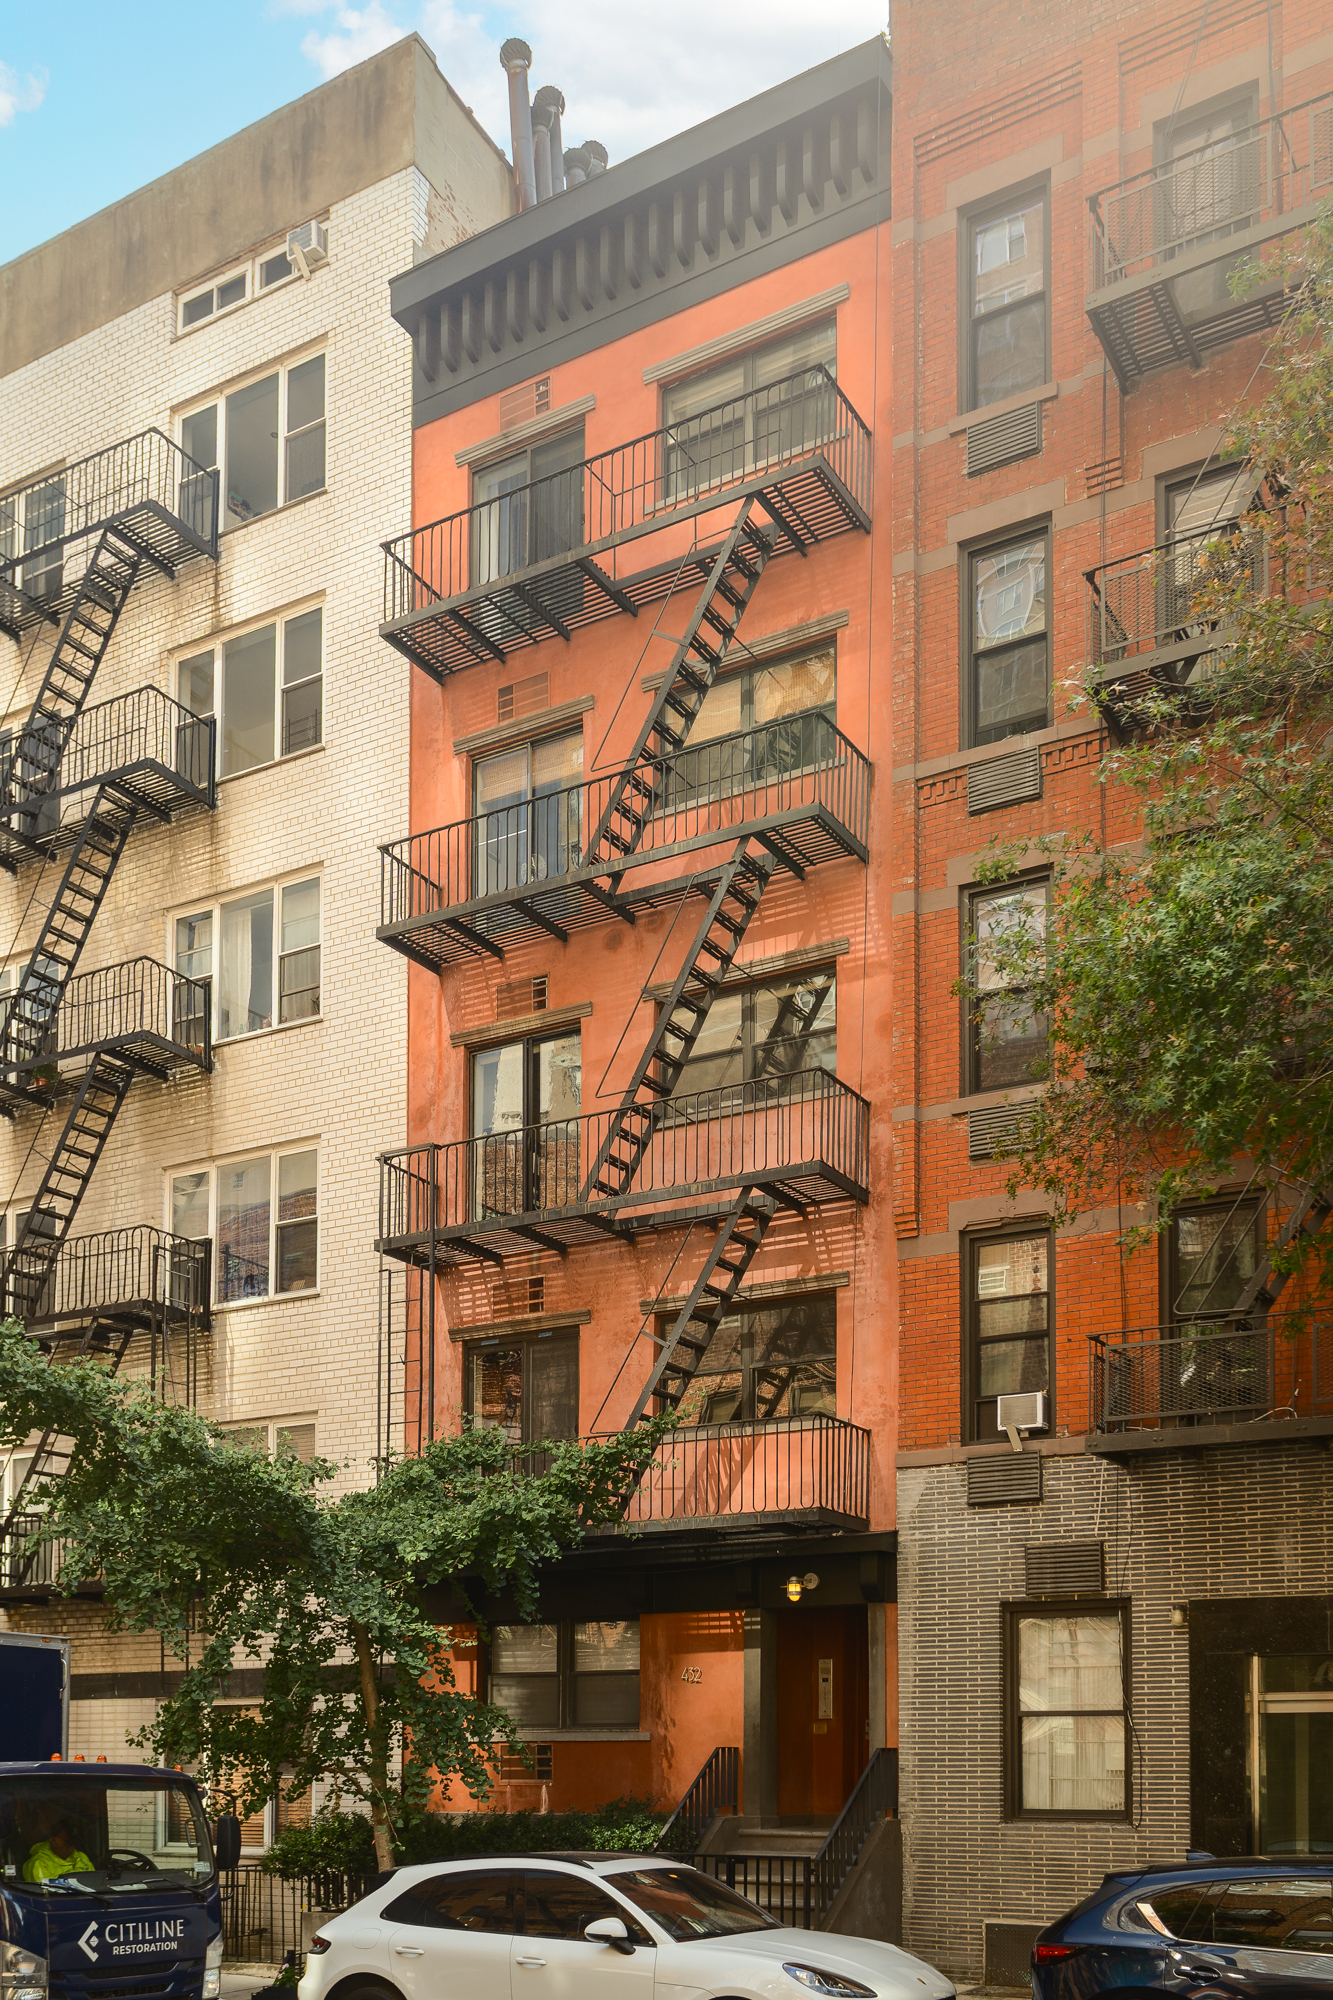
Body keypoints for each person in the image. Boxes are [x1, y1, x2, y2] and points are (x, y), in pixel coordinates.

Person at [23, 1820, 93, 1882]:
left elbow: (93, 1881)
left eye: (72, 1843)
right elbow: (45, 1890)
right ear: (53, 1840)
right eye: (65, 1842)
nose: (71, 1849)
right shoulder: (39, 1863)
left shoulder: (81, 1857)